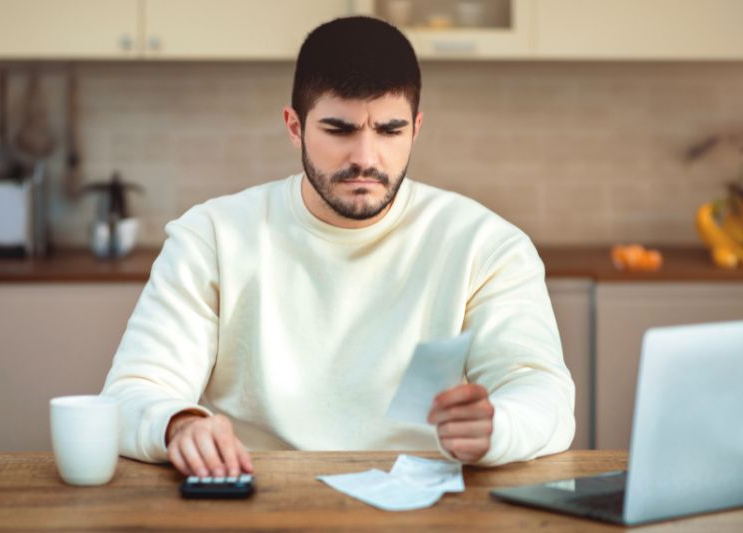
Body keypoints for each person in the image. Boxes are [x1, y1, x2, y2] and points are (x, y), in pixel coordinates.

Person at [101, 16, 575, 479]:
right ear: (294, 126)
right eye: (339, 130)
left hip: (422, 508)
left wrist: (500, 427)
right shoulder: (212, 237)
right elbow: (130, 393)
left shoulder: (485, 245)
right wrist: (180, 424)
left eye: (390, 130)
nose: (366, 159)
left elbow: (543, 394)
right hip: (259, 502)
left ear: (417, 127)